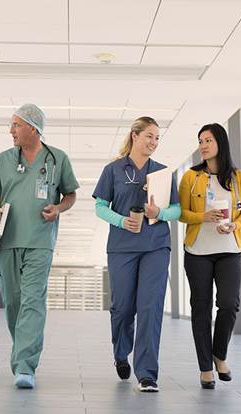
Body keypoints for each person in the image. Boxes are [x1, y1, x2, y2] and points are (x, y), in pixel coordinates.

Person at [0, 103, 79, 389]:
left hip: (39, 241)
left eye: (16, 125)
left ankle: (25, 365)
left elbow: (70, 194)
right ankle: (23, 349)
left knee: (32, 300)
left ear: (33, 129)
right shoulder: (3, 160)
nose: (10, 130)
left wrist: (58, 208)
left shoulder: (58, 159)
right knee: (13, 302)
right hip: (7, 240)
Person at [92, 116, 181, 393]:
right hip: (122, 247)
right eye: (149, 136)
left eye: (157, 138)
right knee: (122, 308)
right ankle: (121, 353)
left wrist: (160, 213)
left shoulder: (163, 173)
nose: (154, 142)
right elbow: (100, 207)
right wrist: (121, 221)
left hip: (156, 245)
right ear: (134, 135)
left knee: (150, 308)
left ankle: (147, 374)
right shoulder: (114, 170)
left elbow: (176, 210)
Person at [178, 123, 241, 389]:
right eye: (200, 141)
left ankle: (219, 354)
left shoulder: (239, 178)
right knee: (201, 308)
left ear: (220, 142)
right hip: (198, 251)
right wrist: (203, 216)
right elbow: (181, 213)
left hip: (230, 250)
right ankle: (205, 368)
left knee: (229, 304)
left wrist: (236, 224)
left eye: (208, 140)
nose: (203, 145)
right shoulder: (190, 177)